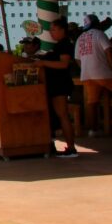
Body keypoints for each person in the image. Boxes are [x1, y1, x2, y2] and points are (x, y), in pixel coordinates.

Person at [74, 14, 112, 136]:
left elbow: (77, 59)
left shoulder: (80, 38)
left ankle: (93, 130)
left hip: (87, 74)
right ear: (96, 23)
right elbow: (108, 50)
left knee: (92, 102)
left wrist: (85, 67)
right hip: (102, 72)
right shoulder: (99, 34)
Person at [32, 17, 77, 157]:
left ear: (62, 30)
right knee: (59, 115)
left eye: (54, 29)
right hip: (55, 84)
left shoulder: (64, 44)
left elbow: (64, 64)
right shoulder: (59, 45)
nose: (51, 32)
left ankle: (71, 147)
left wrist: (44, 63)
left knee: (62, 115)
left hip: (60, 84)